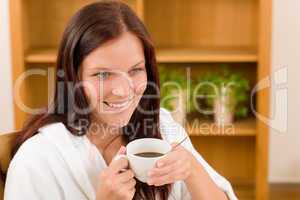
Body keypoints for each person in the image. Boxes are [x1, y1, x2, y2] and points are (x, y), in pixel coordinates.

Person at [4, 1, 237, 200]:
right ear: (74, 77)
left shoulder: (162, 127)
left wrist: (192, 170)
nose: (123, 91)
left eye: (135, 70)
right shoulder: (36, 161)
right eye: (103, 74)